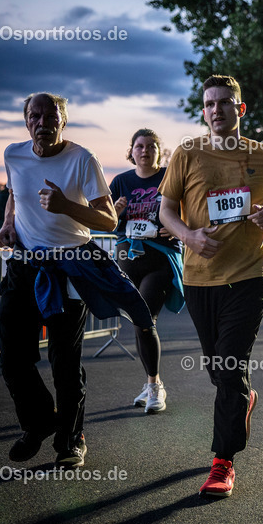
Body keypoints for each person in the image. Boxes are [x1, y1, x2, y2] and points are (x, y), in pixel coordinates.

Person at [0, 92, 154, 468]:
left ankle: (71, 439)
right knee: (12, 359)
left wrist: (67, 205)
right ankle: (39, 423)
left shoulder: (83, 158)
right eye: (35, 116)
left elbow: (108, 221)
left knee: (64, 361)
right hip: (24, 266)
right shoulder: (12, 154)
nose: (43, 122)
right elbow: (14, 197)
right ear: (25, 120)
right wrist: (6, 225)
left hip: (70, 266)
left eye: (51, 116)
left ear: (63, 121)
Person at [159, 75, 263, 498]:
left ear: (240, 109)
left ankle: (223, 461)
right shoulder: (187, 153)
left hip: (250, 275)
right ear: (203, 111)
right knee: (220, 370)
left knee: (230, 363)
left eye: (225, 103)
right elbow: (165, 209)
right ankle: (243, 396)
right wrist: (189, 237)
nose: (217, 110)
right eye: (210, 103)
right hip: (199, 277)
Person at [110, 128, 185, 414]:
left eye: (151, 146)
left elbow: (190, 208)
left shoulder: (169, 177)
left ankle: (155, 386)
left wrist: (176, 226)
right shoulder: (120, 181)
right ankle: (150, 382)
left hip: (160, 257)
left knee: (145, 317)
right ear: (131, 151)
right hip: (128, 258)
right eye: (139, 146)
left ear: (158, 151)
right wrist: (115, 213)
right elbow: (105, 222)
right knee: (138, 323)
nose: (145, 151)